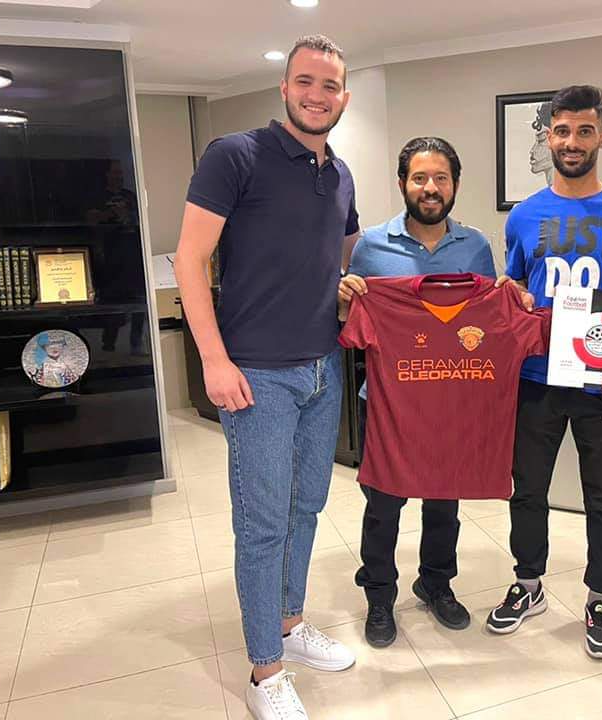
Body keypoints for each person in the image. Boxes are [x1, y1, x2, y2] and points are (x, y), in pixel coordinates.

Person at [174, 35, 360, 720]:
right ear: (285, 88)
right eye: (305, 81)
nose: (317, 95)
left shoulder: (340, 174)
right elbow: (190, 260)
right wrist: (213, 360)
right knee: (262, 524)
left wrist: (344, 286)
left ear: (344, 97)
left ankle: (288, 621)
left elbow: (335, 256)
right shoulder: (235, 155)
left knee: (305, 508)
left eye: (330, 85)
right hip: (256, 376)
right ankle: (265, 671)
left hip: (321, 369)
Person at [487, 85, 602, 661]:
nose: (573, 141)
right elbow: (515, 287)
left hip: (601, 377)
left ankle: (600, 595)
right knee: (527, 488)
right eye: (562, 131)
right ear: (549, 137)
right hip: (536, 375)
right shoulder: (525, 215)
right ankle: (528, 583)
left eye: (584, 131)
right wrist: (510, 296)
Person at [337, 137, 510, 649]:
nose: (430, 188)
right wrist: (345, 296)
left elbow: (485, 320)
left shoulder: (475, 246)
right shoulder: (372, 246)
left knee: (443, 503)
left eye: (440, 178)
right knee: (383, 506)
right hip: (387, 404)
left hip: (450, 401)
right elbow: (351, 321)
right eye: (419, 178)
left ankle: (436, 584)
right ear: (402, 184)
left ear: (455, 185)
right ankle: (379, 596)